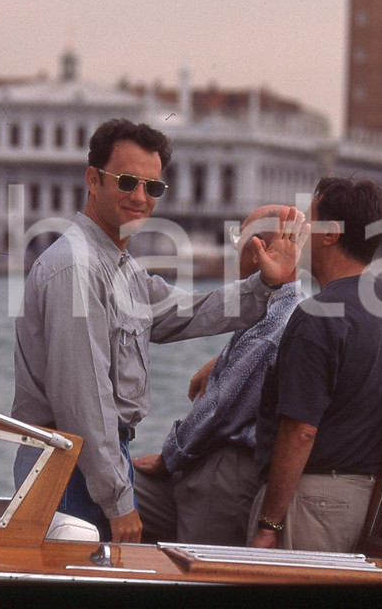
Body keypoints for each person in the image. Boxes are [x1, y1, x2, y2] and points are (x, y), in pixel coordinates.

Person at [12, 118, 308, 542]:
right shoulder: (77, 268)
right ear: (92, 180)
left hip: (88, 466)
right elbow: (84, 401)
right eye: (128, 181)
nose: (140, 197)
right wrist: (119, 500)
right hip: (70, 474)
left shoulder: (118, 266)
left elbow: (184, 311)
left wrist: (266, 285)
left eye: (153, 188)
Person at [248, 177, 382, 552]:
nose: (301, 232)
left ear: (330, 235)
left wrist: (269, 524)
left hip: (310, 498)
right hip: (365, 498)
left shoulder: (317, 315)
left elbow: (301, 431)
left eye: (310, 222)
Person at [132, 204, 306, 546]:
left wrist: (169, 457)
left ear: (258, 254)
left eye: (238, 243)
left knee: (197, 572)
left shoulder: (276, 323)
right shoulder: (279, 310)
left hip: (225, 474)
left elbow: (219, 409)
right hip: (211, 463)